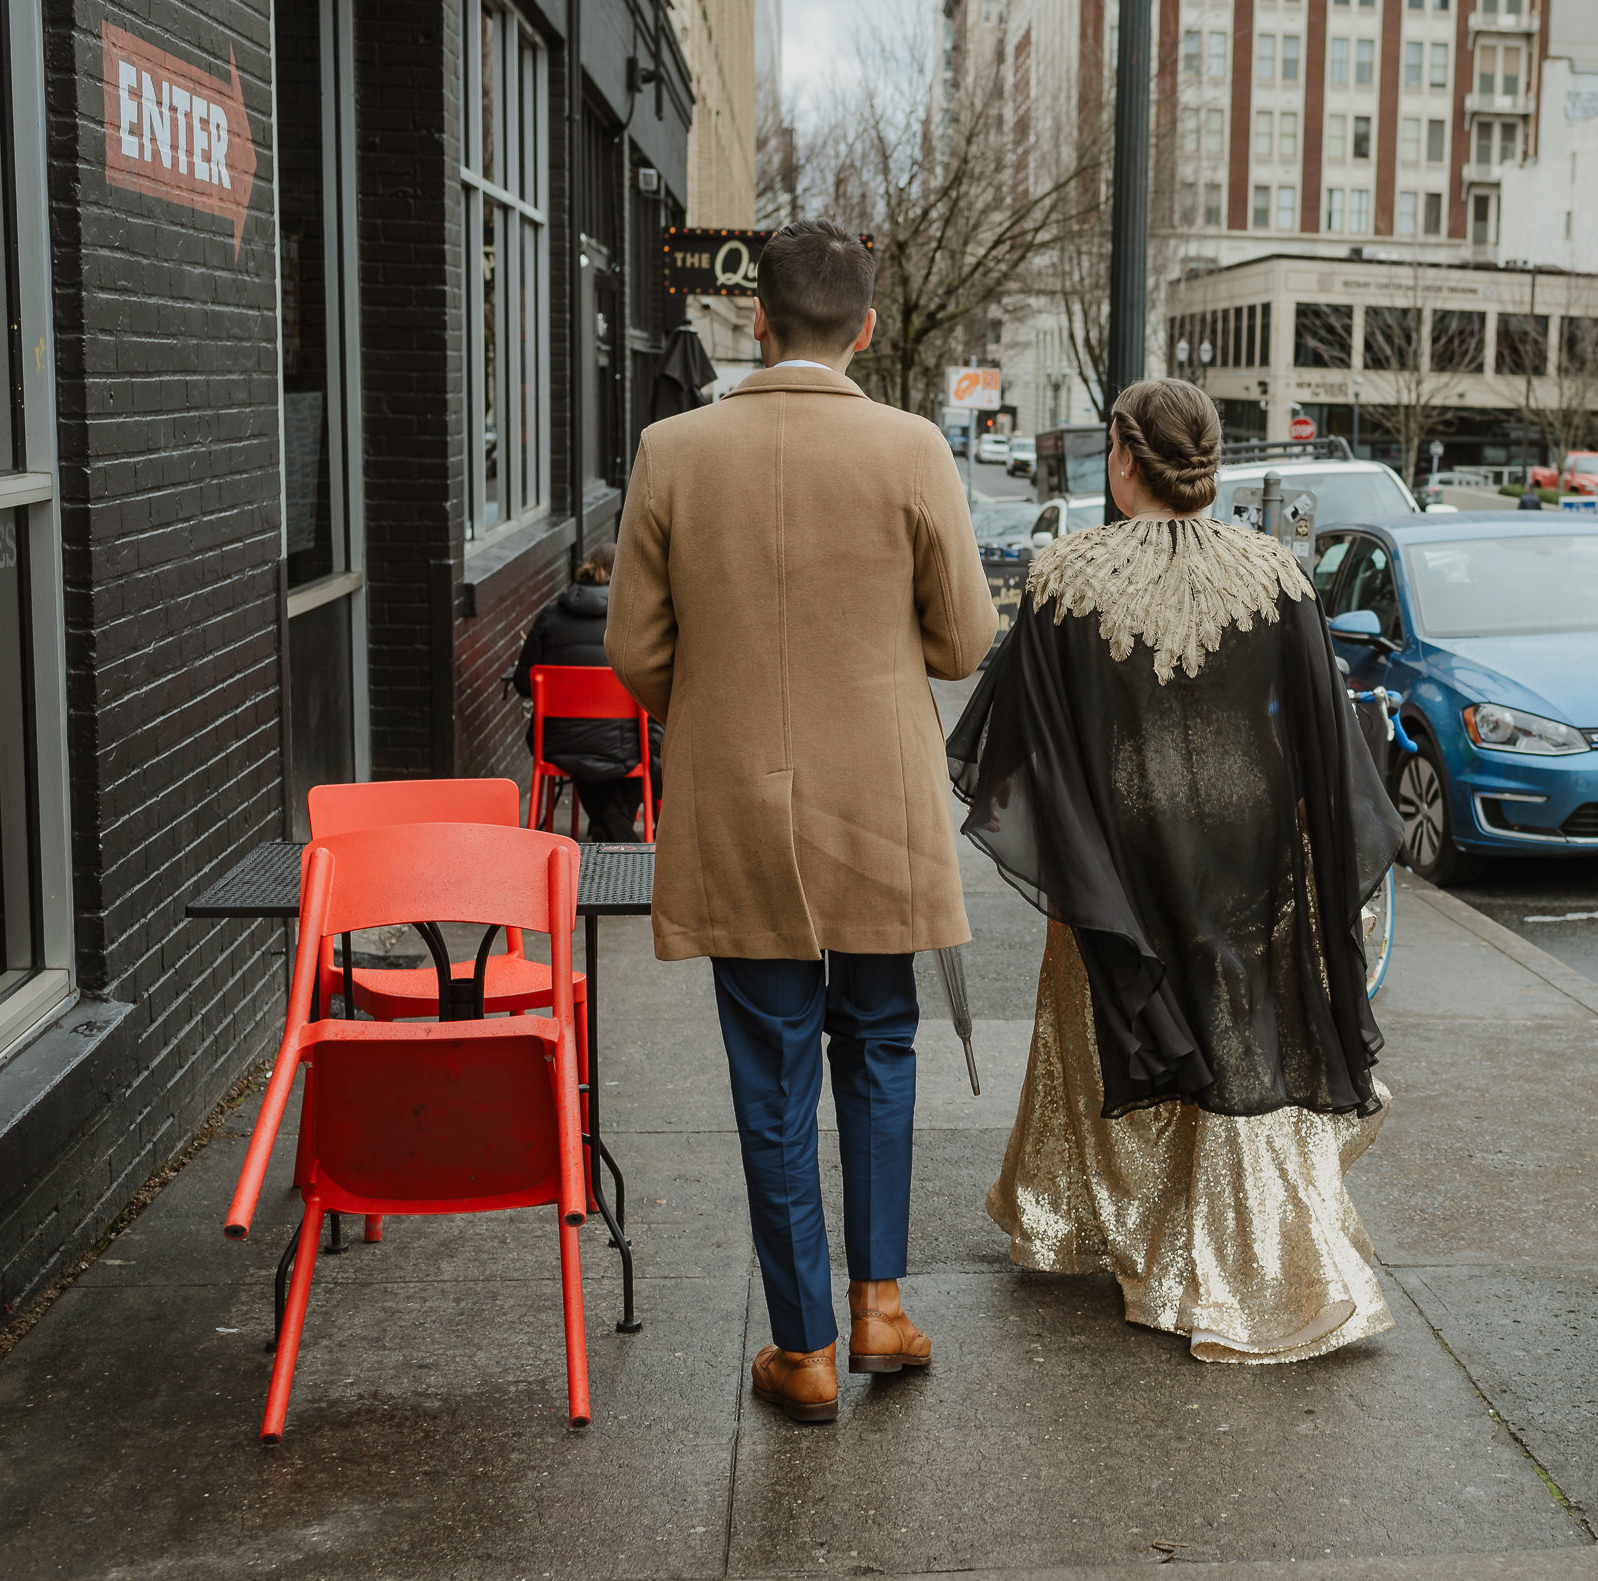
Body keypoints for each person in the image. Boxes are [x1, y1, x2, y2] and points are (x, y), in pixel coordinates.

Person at [606, 219, 999, 1424]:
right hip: (878, 795)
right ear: (867, 328)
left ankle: (805, 1345)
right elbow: (966, 638)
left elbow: (633, 649)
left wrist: (719, 702)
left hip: (737, 800)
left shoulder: (673, 448)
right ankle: (880, 1299)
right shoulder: (912, 447)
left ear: (757, 319)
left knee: (772, 1066)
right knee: (880, 1045)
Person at [947, 378, 1404, 1364]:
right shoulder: (1277, 571)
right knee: (1239, 1024)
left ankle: (1092, 1223)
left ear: (1122, 456)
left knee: (1104, 1006)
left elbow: (1020, 735)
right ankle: (1228, 1242)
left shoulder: (1067, 573)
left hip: (1115, 834)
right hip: (1248, 834)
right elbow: (1320, 733)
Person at [513, 543, 659, 842]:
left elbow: (522, 684)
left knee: (586, 748)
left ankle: (606, 828)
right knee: (645, 744)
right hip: (628, 746)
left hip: (559, 743)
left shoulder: (550, 615)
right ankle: (616, 831)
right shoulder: (636, 620)